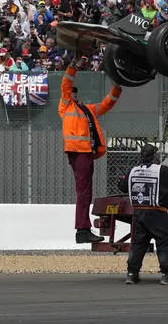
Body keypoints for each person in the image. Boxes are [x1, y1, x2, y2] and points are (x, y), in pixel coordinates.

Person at [58, 54, 122, 244]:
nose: (74, 94)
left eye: (76, 93)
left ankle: (83, 229)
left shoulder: (87, 109)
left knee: (85, 192)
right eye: (72, 93)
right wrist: (72, 67)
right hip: (79, 153)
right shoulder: (66, 106)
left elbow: (105, 104)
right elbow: (65, 85)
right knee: (84, 193)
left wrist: (117, 89)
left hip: (86, 154)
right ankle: (82, 230)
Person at [117, 143, 168, 285]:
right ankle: (167, 275)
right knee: (163, 243)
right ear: (155, 156)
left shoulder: (132, 170)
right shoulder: (161, 171)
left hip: (139, 213)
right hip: (158, 213)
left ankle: (132, 274)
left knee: (138, 244)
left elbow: (121, 185)